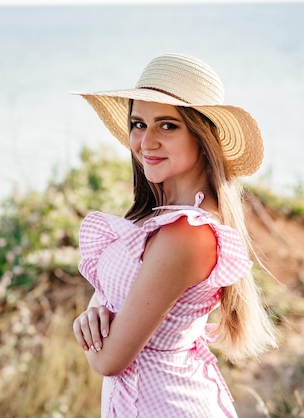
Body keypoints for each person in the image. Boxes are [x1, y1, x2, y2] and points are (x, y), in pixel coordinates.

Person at [71, 53, 278, 417]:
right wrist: (96, 313)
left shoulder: (186, 234)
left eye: (167, 126)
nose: (145, 141)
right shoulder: (163, 219)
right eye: (138, 123)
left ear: (203, 136)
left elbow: (109, 360)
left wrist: (91, 320)